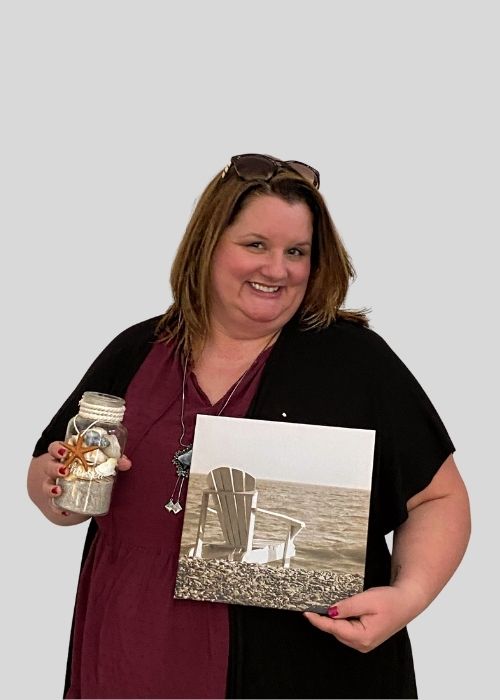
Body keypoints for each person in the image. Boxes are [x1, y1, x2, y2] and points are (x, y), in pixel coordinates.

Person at [27, 153, 471, 699]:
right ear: (209, 244)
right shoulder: (137, 350)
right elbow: (48, 475)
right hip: (131, 653)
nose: (277, 269)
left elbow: (438, 499)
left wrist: (408, 597)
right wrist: (58, 488)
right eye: (255, 245)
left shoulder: (355, 364)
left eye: (296, 252)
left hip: (299, 667)